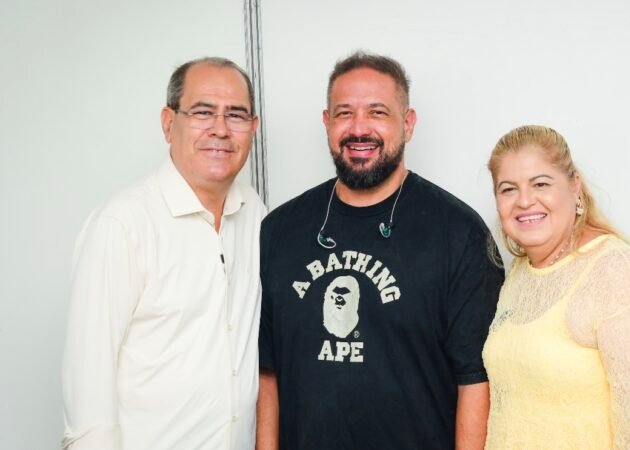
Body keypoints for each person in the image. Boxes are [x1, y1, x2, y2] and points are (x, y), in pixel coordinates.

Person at [256, 51, 504, 450]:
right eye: (344, 113)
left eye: (377, 113)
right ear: (326, 122)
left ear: (407, 123)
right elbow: (267, 373)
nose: (359, 128)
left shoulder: (458, 233)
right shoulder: (279, 231)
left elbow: (476, 379)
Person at [61, 57, 266, 450]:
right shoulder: (121, 226)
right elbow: (87, 396)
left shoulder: (255, 214)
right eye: (203, 112)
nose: (221, 130)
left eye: (236, 115)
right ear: (169, 123)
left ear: (253, 129)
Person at [482, 125, 630, 449]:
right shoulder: (521, 273)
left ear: (575, 188)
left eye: (540, 183)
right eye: (508, 189)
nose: (524, 201)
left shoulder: (618, 273)